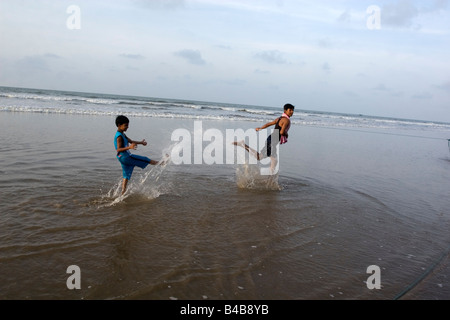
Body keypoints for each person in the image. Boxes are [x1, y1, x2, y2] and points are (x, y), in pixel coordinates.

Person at [233, 103, 294, 171]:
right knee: (274, 161)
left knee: (259, 157)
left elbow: (269, 124)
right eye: (290, 110)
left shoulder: (279, 118)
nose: (292, 112)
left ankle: (243, 145)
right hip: (272, 141)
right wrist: (286, 134)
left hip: (270, 139)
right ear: (285, 110)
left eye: (292, 110)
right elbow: (281, 132)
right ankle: (270, 180)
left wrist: (260, 128)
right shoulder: (286, 120)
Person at [114, 115, 165, 195]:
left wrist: (141, 143)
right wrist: (129, 147)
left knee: (126, 175)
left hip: (121, 158)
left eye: (128, 125)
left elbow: (131, 141)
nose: (128, 127)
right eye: (126, 125)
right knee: (145, 159)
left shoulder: (122, 134)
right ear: (119, 125)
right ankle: (162, 163)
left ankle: (122, 192)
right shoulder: (119, 136)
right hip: (126, 157)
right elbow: (118, 149)